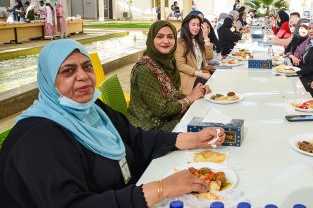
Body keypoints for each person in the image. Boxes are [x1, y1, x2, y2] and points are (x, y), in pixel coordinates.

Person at [0, 39, 226, 207]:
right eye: (68, 71)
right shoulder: (38, 139)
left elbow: (134, 138)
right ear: (49, 80)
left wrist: (189, 138)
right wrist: (160, 189)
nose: (83, 76)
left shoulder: (92, 109)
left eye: (87, 67)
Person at [128, 21, 210, 132]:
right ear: (151, 39)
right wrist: (190, 98)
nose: (166, 41)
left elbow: (171, 96)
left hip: (167, 120)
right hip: (149, 128)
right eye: (160, 36)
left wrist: (197, 93)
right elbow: (162, 110)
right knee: (204, 128)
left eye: (170, 37)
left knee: (206, 116)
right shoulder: (144, 69)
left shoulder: (168, 62)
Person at [175, 14, 214, 95]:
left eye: (198, 25)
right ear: (186, 25)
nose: (196, 27)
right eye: (193, 25)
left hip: (200, 75)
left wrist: (206, 37)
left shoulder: (198, 42)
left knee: (216, 80)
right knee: (213, 86)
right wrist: (202, 74)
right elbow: (180, 65)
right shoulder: (180, 42)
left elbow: (209, 57)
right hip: (188, 79)